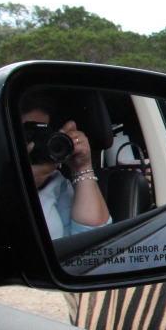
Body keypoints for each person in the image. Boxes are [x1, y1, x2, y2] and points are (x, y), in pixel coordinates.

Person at [22, 99, 111, 239]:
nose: (37, 141)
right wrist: (17, 184)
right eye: (27, 133)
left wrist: (82, 167)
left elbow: (91, 240)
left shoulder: (54, 181)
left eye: (43, 131)